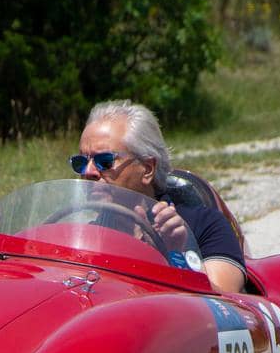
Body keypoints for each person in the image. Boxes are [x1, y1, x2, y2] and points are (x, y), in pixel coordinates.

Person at [73, 100, 247, 294]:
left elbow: (226, 305)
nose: (88, 171)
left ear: (147, 169)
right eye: (80, 162)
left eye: (104, 161)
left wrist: (176, 252)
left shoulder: (205, 225)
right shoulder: (88, 237)